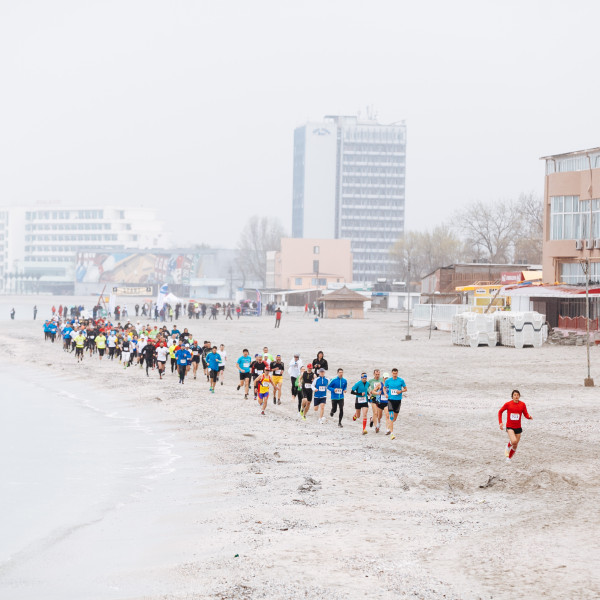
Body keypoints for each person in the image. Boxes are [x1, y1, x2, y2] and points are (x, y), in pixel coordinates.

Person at [498, 390, 532, 462]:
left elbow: (525, 414)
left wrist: (528, 417)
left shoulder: (522, 404)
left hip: (518, 427)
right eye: (515, 395)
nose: (516, 396)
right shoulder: (508, 404)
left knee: (515, 445)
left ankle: (508, 458)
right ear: (512, 396)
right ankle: (507, 446)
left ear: (519, 396)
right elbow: (500, 412)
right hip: (510, 426)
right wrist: (500, 422)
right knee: (513, 441)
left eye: (517, 395)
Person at [384, 368, 407, 441]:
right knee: (391, 416)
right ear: (391, 373)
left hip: (398, 400)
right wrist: (385, 394)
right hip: (390, 400)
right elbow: (384, 388)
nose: (394, 374)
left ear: (397, 373)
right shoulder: (388, 381)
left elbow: (405, 389)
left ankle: (388, 427)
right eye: (393, 373)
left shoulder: (401, 380)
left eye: (396, 373)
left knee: (394, 418)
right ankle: (392, 434)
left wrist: (400, 391)